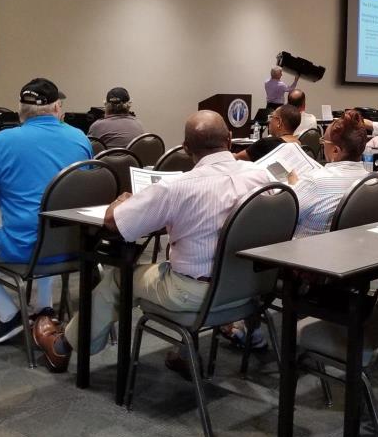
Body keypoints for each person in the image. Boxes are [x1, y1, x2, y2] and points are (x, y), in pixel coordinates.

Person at [32, 111, 274, 373]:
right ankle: (184, 353)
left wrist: (119, 202)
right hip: (249, 286)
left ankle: (62, 347)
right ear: (229, 139)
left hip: (194, 294)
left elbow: (115, 223)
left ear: (186, 148)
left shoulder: (177, 188)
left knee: (118, 279)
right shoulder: (261, 175)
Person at [0, 78, 92, 345]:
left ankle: (10, 315)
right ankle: (44, 307)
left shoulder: (3, 142)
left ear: (20, 110)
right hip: (76, 242)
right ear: (57, 107)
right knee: (48, 221)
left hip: (25, 245)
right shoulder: (80, 138)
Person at [288, 110, 370, 237]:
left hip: (306, 247)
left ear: (335, 151)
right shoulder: (371, 181)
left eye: (324, 142)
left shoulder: (315, 182)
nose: (322, 145)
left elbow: (284, 215)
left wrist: (293, 186)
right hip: (353, 246)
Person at [235, 104, 301, 162]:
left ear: (279, 122)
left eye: (271, 117)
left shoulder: (266, 143)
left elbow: (236, 158)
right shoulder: (299, 145)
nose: (269, 121)